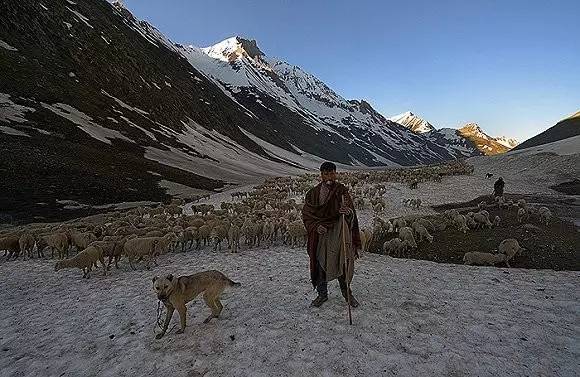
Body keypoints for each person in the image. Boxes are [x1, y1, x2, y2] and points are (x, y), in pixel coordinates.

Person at [302, 162, 362, 308]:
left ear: (336, 173)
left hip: (338, 231)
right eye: (326, 173)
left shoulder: (342, 191)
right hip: (322, 234)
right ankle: (322, 295)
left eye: (332, 173)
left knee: (342, 261)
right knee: (320, 263)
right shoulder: (313, 194)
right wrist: (316, 227)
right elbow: (307, 215)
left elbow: (350, 213)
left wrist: (347, 212)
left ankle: (347, 294)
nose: (330, 176)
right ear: (321, 175)